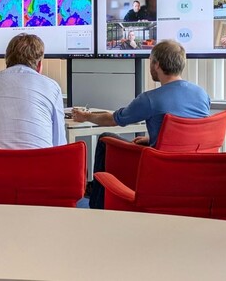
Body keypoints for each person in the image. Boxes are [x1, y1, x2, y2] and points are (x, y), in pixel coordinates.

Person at [72, 40, 210, 209]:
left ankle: (97, 204)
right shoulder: (201, 94)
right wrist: (154, 139)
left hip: (161, 170)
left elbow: (113, 119)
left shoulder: (150, 99)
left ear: (157, 65)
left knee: (104, 139)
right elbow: (188, 131)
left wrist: (85, 116)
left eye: (150, 61)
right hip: (195, 171)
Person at [0, 33, 65, 149]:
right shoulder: (52, 87)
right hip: (37, 164)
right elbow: (59, 144)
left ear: (7, 60)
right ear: (39, 65)